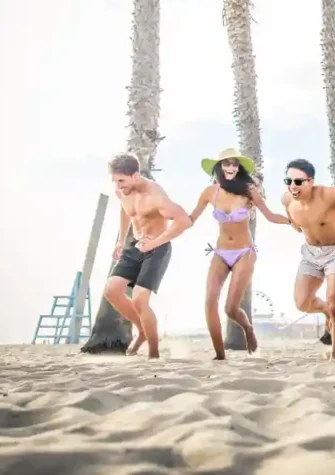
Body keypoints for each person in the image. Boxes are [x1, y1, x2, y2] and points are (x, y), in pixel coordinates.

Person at [190, 148, 291, 360]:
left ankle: (248, 328)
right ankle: (219, 355)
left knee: (230, 309)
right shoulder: (211, 192)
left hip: (244, 252)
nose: (231, 168)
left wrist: (294, 221)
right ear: (219, 167)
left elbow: (271, 216)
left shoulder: (248, 191)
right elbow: (191, 218)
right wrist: (166, 221)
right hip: (221, 252)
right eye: (226, 164)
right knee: (209, 301)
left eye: (235, 164)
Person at [105, 152, 193, 359]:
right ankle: (142, 331)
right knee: (112, 291)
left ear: (135, 175)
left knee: (139, 300)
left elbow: (184, 220)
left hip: (157, 248)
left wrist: (155, 242)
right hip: (135, 245)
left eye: (122, 181)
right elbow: (127, 211)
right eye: (115, 181)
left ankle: (154, 354)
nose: (118, 186)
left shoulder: (154, 194)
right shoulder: (122, 192)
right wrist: (120, 240)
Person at [281, 158, 335, 360]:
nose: (293, 186)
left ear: (311, 181)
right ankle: (326, 310)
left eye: (298, 182)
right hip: (310, 254)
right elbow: (295, 223)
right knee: (302, 303)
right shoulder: (287, 200)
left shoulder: (329, 194)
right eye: (288, 181)